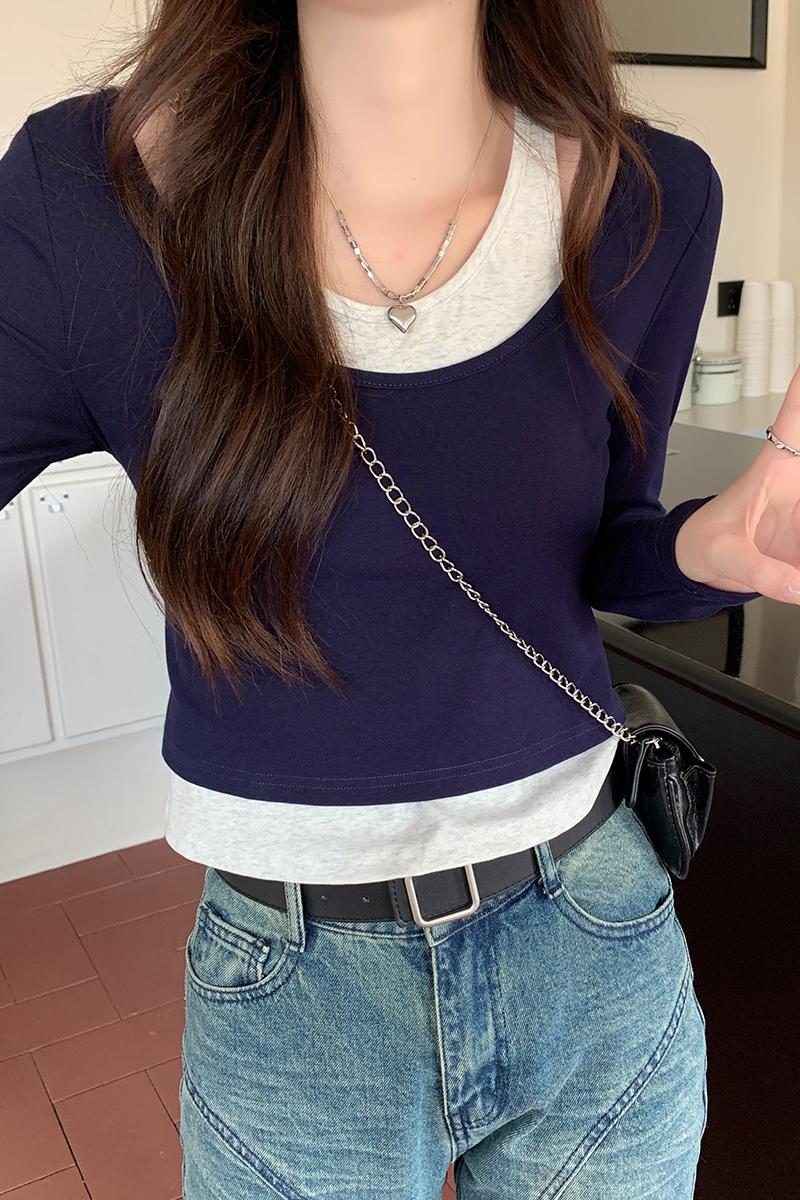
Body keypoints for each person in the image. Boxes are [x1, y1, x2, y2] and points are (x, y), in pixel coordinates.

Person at [2, 1, 799, 1196]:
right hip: (297, 991)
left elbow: (600, 555)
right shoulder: (89, 196)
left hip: (594, 935)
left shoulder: (646, 197)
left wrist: (712, 547)